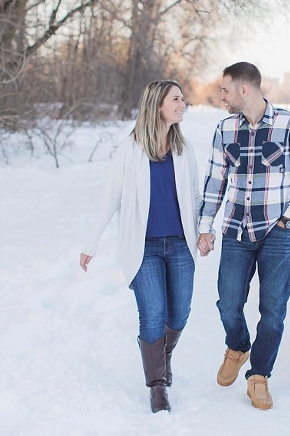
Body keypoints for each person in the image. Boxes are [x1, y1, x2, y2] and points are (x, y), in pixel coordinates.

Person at [79, 80, 207, 413]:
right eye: (176, 99)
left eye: (182, 98)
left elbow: (195, 196)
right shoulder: (130, 149)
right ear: (158, 105)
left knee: (179, 315)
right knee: (153, 316)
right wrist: (90, 242)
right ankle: (157, 386)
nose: (183, 103)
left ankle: (159, 360)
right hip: (144, 248)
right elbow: (111, 197)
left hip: (180, 246)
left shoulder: (184, 149)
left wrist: (204, 230)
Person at [196, 62, 290, 410]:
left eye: (225, 90)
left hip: (277, 233)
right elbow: (215, 181)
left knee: (273, 310)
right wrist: (205, 227)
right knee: (228, 302)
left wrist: (288, 218)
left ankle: (259, 375)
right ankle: (237, 345)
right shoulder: (224, 129)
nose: (221, 96)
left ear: (244, 90)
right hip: (236, 230)